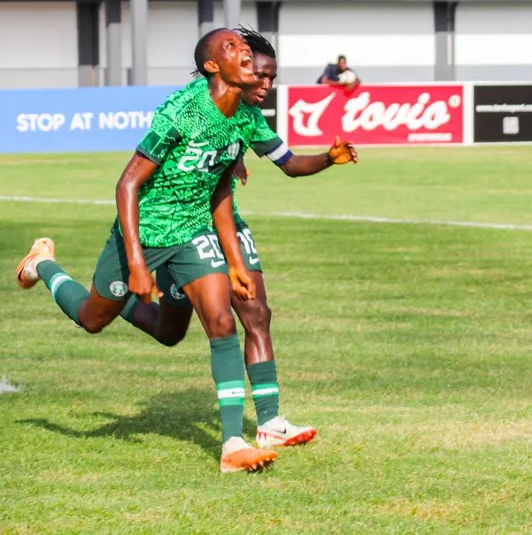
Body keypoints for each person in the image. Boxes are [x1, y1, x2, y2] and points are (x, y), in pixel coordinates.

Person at [14, 29, 278, 474]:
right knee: (93, 318)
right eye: (231, 47)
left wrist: (234, 258)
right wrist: (137, 263)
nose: (244, 51)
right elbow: (127, 183)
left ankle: (232, 444)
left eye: (243, 45)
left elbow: (225, 170)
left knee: (220, 320)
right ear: (212, 66)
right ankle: (43, 264)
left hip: (193, 230)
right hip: (143, 233)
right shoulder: (181, 109)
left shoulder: (242, 109)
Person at [119, 27, 358, 449]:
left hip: (227, 223)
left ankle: (270, 421)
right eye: (258, 74)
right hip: (182, 228)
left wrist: (328, 157)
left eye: (270, 78)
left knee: (256, 312)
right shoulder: (195, 109)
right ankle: (117, 300)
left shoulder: (249, 119)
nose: (264, 84)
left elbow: (288, 163)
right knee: (171, 330)